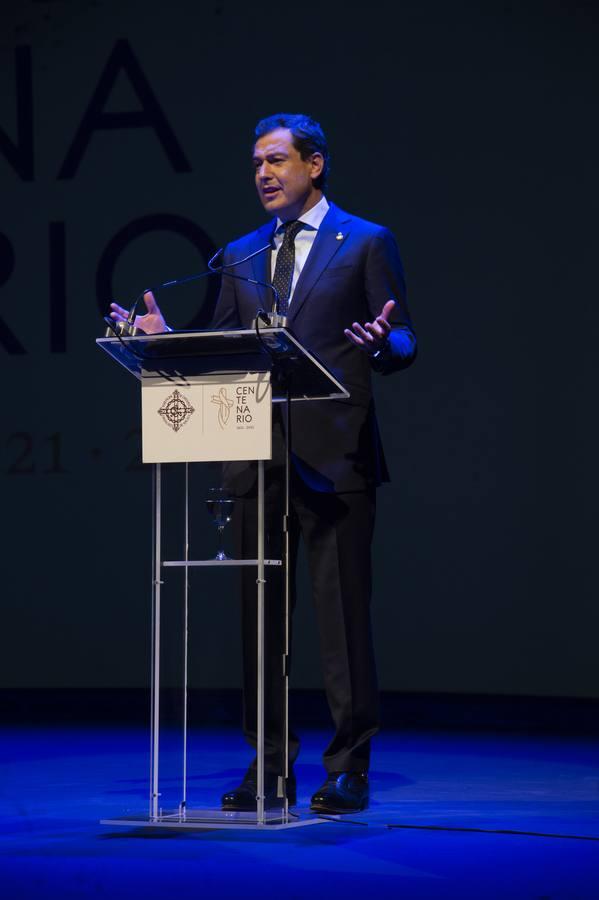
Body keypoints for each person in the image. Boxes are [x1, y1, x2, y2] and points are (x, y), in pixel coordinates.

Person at [110, 113, 417, 814]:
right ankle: (268, 766)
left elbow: (402, 336)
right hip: (254, 459)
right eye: (255, 163)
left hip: (335, 455)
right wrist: (163, 340)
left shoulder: (366, 241)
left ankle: (348, 767)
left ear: (314, 164)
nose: (263, 174)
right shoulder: (238, 254)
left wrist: (381, 343)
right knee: (260, 626)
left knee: (341, 621)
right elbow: (217, 346)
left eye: (276, 160)